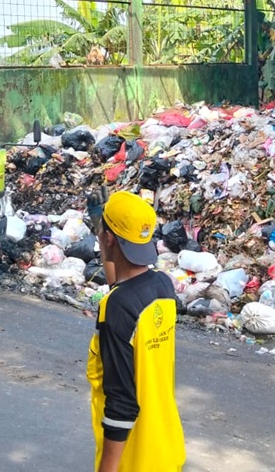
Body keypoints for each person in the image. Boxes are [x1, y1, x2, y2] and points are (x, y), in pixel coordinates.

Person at [88, 190, 185, 472]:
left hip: (135, 458)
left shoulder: (117, 307)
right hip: (166, 447)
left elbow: (122, 401)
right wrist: (102, 227)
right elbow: (123, 288)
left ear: (108, 239)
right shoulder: (162, 287)